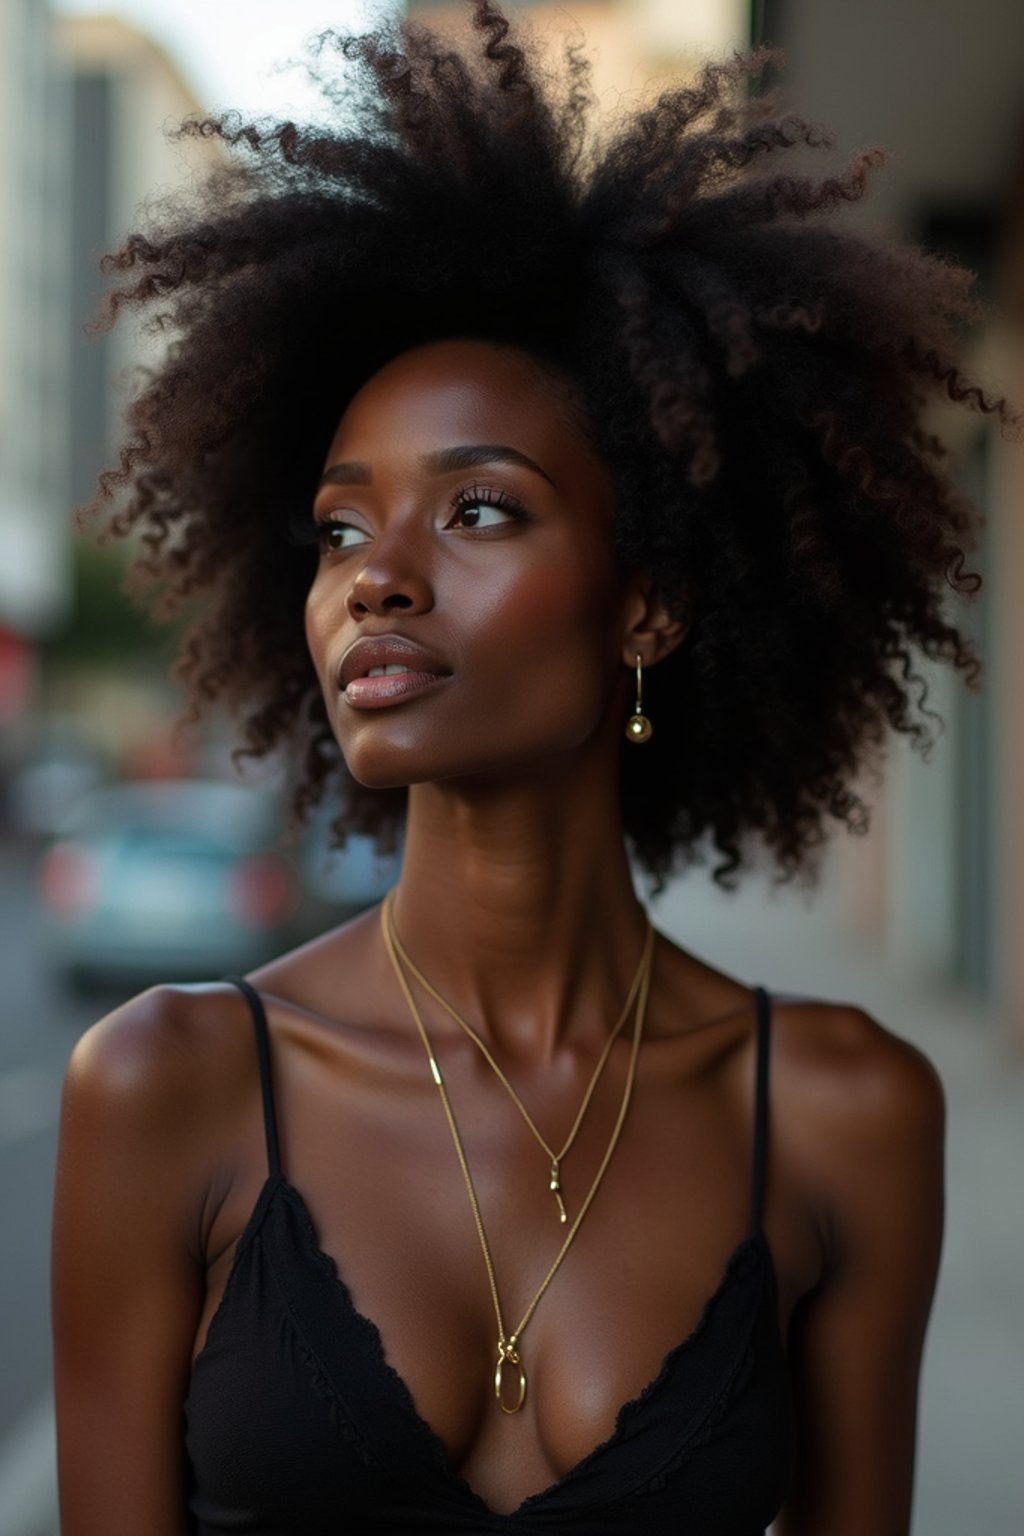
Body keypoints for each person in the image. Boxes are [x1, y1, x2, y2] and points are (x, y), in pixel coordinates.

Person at [50, 3, 1013, 1532]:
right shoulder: (170, 1085)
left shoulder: (844, 1112)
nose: (377, 578)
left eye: (480, 510)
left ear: (652, 599)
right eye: (341, 528)